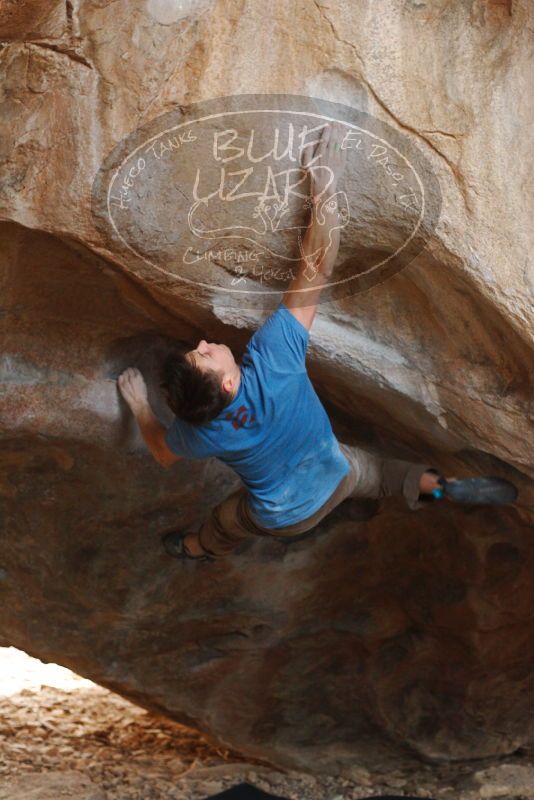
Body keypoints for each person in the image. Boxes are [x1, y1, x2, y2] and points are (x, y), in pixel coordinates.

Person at [117, 123, 517, 562]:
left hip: (284, 515)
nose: (206, 341)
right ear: (228, 384)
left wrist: (139, 403)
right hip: (335, 472)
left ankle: (193, 549)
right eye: (206, 354)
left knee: (226, 523)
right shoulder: (274, 362)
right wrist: (325, 183)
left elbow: (163, 452)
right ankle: (441, 487)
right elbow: (317, 267)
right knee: (384, 473)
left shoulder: (198, 434)